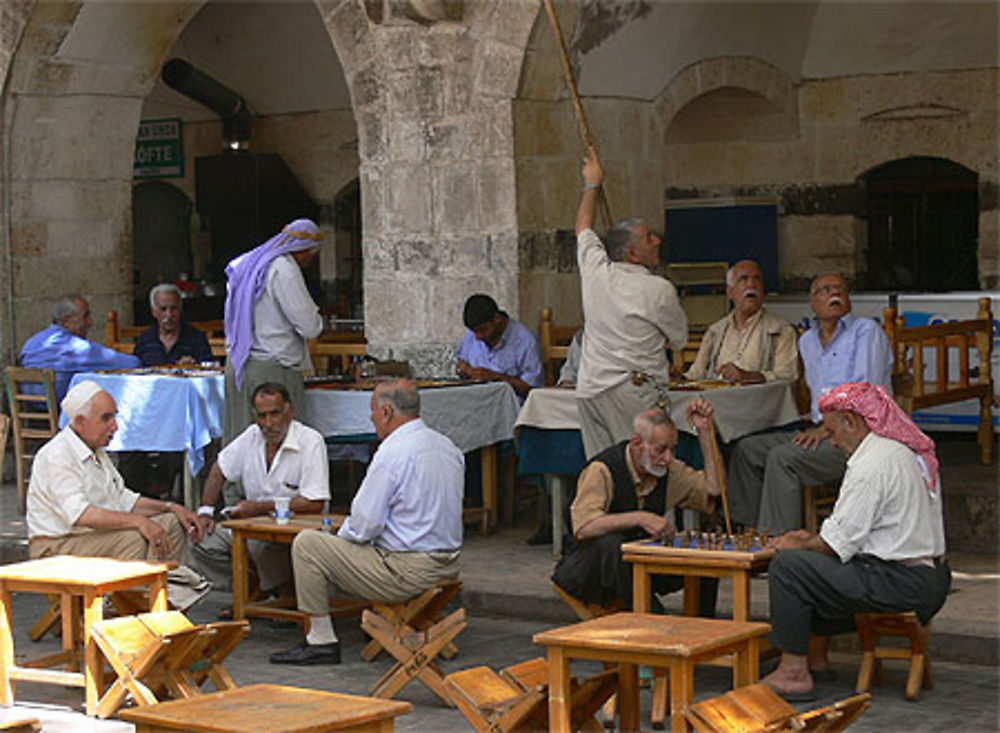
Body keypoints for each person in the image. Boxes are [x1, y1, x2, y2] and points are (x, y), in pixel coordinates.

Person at [762, 381, 950, 699]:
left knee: (789, 568)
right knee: (817, 566)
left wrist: (796, 544)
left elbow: (837, 544)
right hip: (930, 578)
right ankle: (816, 659)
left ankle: (793, 672)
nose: (832, 443)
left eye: (832, 432)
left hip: (901, 581)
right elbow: (858, 532)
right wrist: (812, 539)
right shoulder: (898, 451)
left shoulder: (873, 461)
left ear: (851, 421)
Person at [270, 378, 463, 665]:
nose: (371, 418)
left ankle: (320, 639)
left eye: (373, 411)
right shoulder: (448, 446)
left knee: (308, 545)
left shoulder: (393, 452)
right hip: (448, 566)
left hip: (407, 571)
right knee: (349, 546)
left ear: (386, 412)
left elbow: (363, 525)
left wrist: (337, 539)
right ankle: (379, 624)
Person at [727, 273, 892, 533]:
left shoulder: (866, 332)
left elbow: (866, 394)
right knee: (747, 449)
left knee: (783, 458)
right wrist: (816, 423)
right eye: (826, 289)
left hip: (858, 436)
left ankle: (777, 542)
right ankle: (748, 532)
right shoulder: (807, 341)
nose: (834, 293)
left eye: (840, 289)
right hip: (820, 429)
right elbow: (818, 395)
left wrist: (828, 427)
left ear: (849, 299)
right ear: (812, 303)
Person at [552, 401, 722, 615]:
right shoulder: (602, 469)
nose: (668, 458)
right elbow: (584, 527)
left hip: (639, 565)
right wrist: (641, 518)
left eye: (672, 449)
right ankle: (655, 623)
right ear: (637, 443)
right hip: (591, 571)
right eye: (661, 450)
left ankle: (704, 631)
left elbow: (713, 490)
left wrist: (705, 434)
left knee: (704, 557)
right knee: (613, 545)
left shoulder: (668, 469)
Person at [574, 148, 687, 459]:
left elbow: (583, 227)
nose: (657, 241)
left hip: (591, 389)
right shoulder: (657, 289)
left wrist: (592, 185)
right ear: (632, 254)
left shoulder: (596, 271)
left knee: (603, 469)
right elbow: (678, 339)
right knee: (643, 470)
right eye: (648, 237)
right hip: (632, 392)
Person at [26, 380, 203, 562]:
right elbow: (81, 514)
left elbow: (124, 500)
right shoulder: (57, 454)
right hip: (57, 545)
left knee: (173, 524)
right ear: (80, 422)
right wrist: (138, 521)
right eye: (106, 418)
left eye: (114, 417)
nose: (115, 426)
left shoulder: (96, 451)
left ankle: (164, 587)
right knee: (135, 538)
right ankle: (136, 589)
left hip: (94, 537)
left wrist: (171, 507)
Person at [189, 383, 329, 595]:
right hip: (252, 527)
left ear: (290, 411)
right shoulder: (252, 435)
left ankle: (280, 593)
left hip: (294, 532)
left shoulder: (310, 440)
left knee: (258, 544)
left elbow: (314, 502)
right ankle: (253, 589)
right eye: (262, 416)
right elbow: (219, 469)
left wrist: (259, 508)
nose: (269, 423)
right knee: (201, 540)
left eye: (275, 414)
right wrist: (206, 511)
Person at [223, 218, 325, 448]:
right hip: (273, 366)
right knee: (278, 442)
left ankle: (237, 486)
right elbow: (310, 326)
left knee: (241, 440)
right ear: (305, 250)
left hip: (238, 363)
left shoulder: (245, 263)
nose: (311, 259)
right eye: (312, 254)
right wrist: (319, 320)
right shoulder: (284, 269)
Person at [685, 260, 798, 384]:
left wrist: (748, 376)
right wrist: (677, 377)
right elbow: (696, 375)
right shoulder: (715, 331)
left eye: (757, 279)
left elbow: (788, 378)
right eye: (743, 279)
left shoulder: (780, 330)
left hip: (759, 401)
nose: (751, 284)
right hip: (718, 401)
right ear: (730, 292)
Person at [20, 295, 140, 402]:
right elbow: (131, 363)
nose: (90, 322)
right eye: (85, 316)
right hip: (63, 413)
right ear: (66, 321)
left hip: (33, 410)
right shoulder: (74, 348)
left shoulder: (32, 343)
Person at [456, 293, 544, 399]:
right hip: (477, 403)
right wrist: (464, 370)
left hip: (511, 408)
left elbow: (533, 388)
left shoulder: (525, 340)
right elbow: (461, 363)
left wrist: (496, 377)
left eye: (483, 330)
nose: (478, 337)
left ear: (497, 319)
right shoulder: (472, 335)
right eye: (474, 331)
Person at [134, 284, 213, 366]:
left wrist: (194, 366)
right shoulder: (145, 340)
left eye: (174, 308)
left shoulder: (196, 338)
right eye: (163, 309)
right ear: (154, 312)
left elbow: (209, 369)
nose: (169, 315)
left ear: (180, 309)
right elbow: (135, 371)